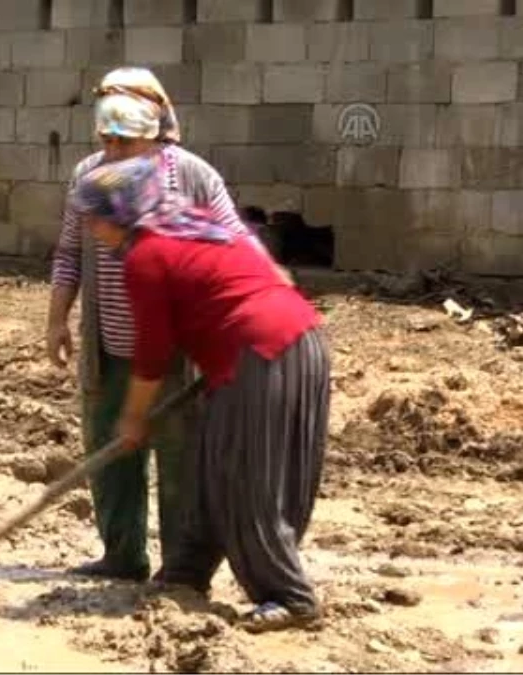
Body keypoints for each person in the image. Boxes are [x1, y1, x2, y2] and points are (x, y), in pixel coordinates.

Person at [71, 154, 331, 634]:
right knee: (213, 465)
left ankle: (290, 596)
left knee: (244, 478)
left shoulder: (146, 257)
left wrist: (132, 418)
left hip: (260, 351)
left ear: (119, 215)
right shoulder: (197, 224)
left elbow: (152, 353)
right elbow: (277, 276)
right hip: (295, 339)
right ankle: (188, 572)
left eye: (93, 217)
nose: (89, 228)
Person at [48, 67, 270, 583]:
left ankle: (181, 568)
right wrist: (56, 319)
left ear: (157, 129)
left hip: (177, 354)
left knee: (181, 463)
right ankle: (121, 556)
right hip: (108, 347)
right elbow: (68, 252)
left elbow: (240, 244)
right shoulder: (88, 176)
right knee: (110, 454)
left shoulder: (193, 176)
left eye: (126, 139)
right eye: (107, 137)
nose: (116, 148)